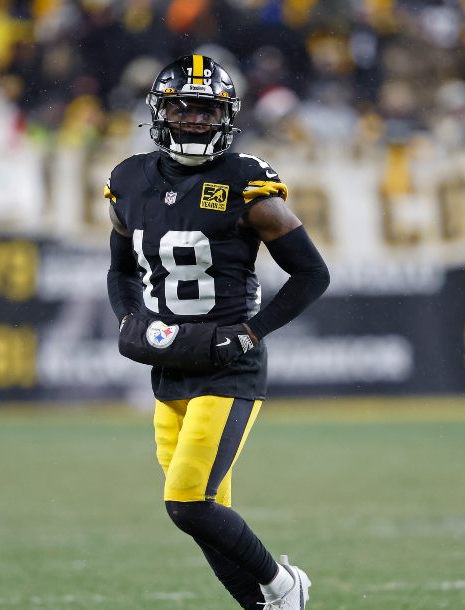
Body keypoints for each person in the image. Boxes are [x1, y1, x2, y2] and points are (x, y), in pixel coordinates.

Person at [105, 54, 330, 610]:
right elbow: (121, 270)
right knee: (206, 514)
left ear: (226, 117)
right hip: (170, 364)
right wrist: (128, 317)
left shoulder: (245, 180)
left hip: (228, 364)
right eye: (183, 109)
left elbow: (311, 273)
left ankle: (285, 587)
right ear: (159, 112)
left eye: (207, 111)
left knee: (187, 502)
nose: (194, 120)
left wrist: (252, 332)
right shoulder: (128, 180)